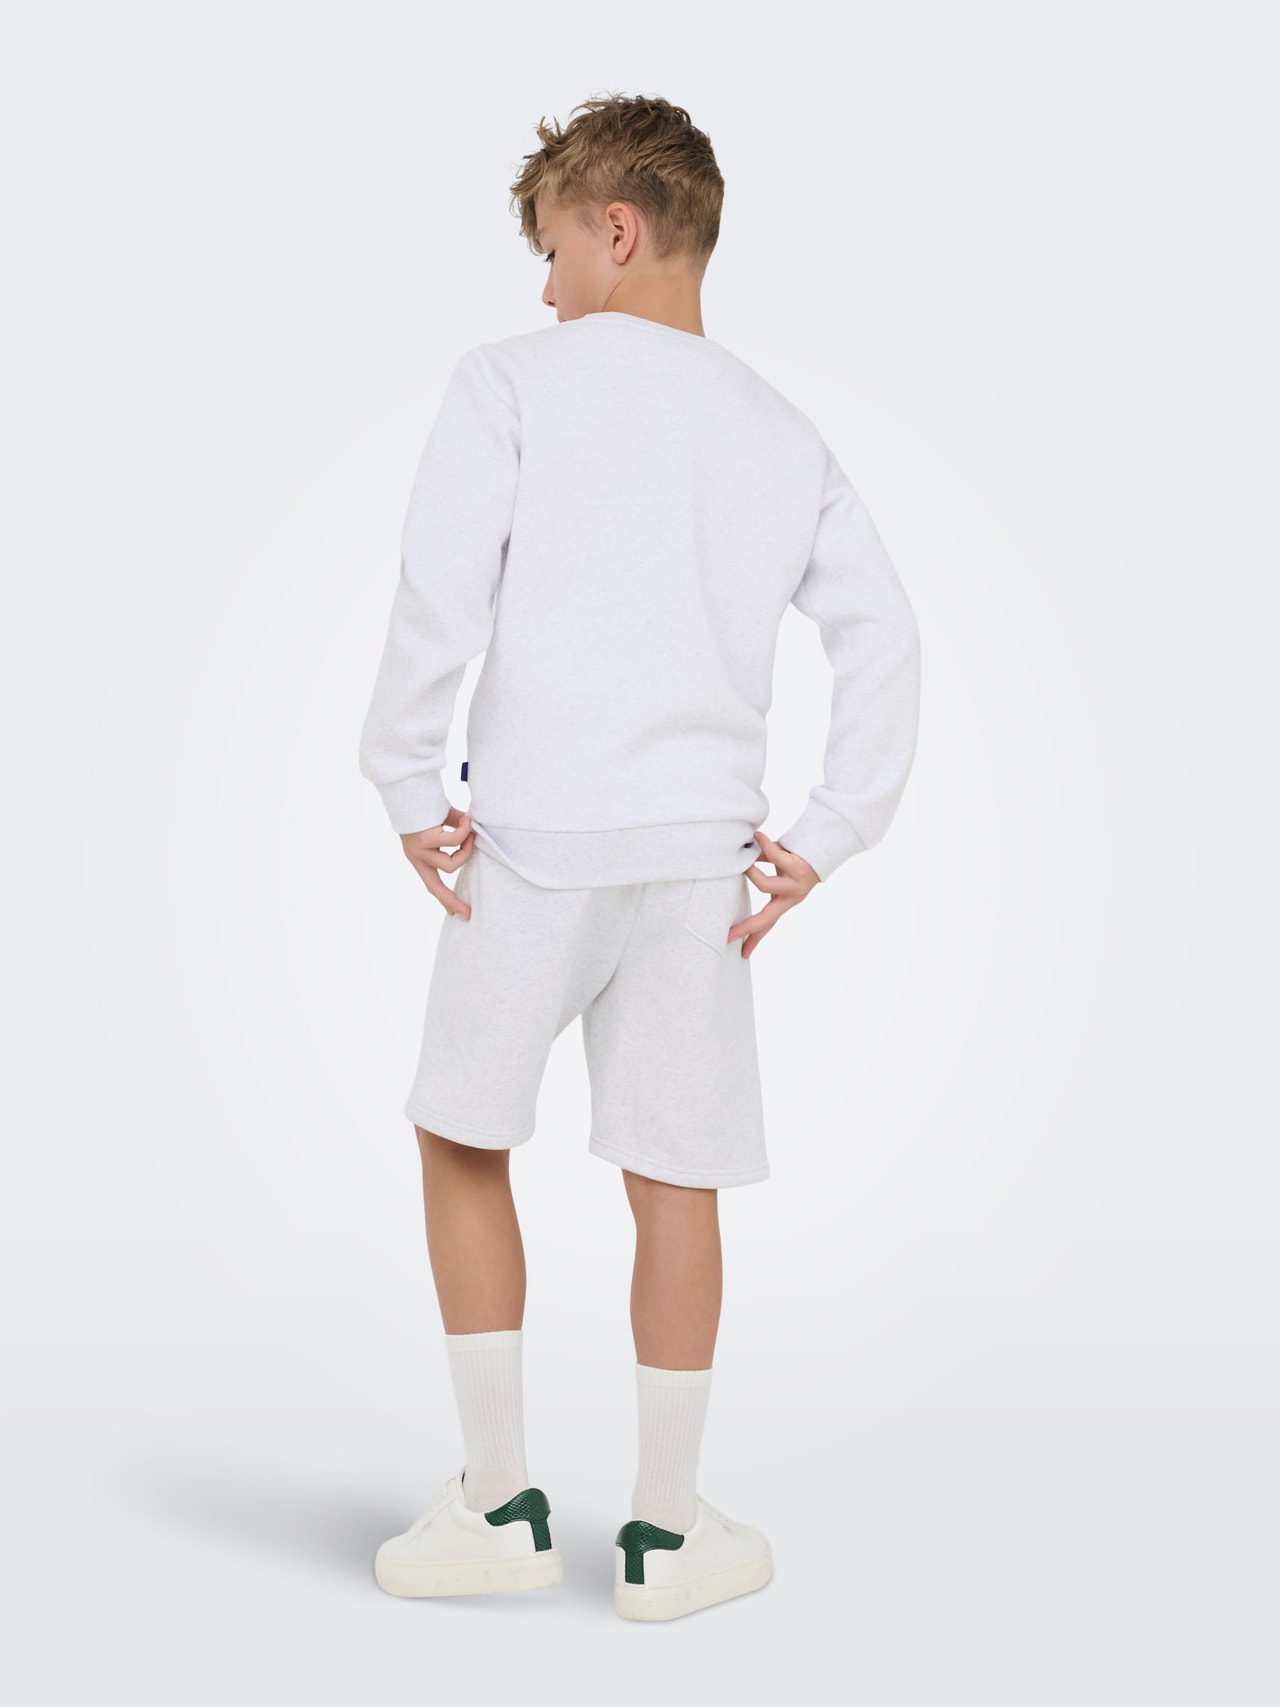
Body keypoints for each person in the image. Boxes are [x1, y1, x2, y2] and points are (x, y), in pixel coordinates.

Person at [357, 91, 921, 1622]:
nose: (545, 291)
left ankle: (498, 1505)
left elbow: (437, 593)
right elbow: (883, 636)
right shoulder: (780, 429)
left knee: (462, 1137)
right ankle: (669, 1534)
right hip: (696, 869)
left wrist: (405, 777)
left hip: (528, 846)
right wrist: (830, 831)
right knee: (677, 1176)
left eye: (551, 251)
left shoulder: (508, 382)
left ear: (615, 229)